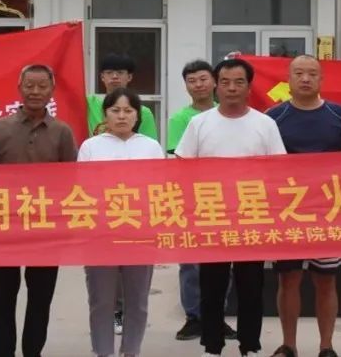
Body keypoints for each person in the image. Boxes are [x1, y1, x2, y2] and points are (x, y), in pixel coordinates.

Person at [175, 58, 287, 357]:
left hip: (252, 215)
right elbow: (183, 167)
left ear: (249, 87)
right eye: (225, 82)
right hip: (212, 215)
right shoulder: (200, 123)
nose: (232, 88)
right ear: (216, 86)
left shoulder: (265, 124)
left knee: (251, 286)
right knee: (211, 285)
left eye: (239, 82)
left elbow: (278, 169)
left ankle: (249, 345)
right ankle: (212, 345)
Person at [0, 64, 77, 357]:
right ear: (19, 88)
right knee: (1, 298)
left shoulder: (62, 132)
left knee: (40, 299)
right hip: (4, 228)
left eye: (42, 86)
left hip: (46, 230)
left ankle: (33, 352)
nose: (35, 92)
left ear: (52, 90)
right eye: (29, 86)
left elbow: (71, 182)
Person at [265, 55, 341, 357]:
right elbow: (262, 166)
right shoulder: (273, 117)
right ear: (288, 79)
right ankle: (288, 345)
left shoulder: (338, 114)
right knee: (288, 279)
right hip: (287, 212)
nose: (305, 79)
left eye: (312, 74)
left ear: (321, 79)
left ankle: (326, 346)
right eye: (299, 73)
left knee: (326, 281)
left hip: (329, 210)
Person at [78, 87, 166, 357]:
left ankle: (131, 351)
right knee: (101, 300)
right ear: (105, 114)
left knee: (137, 300)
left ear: (138, 115)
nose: (122, 116)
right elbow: (82, 189)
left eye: (128, 111)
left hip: (140, 233)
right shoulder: (91, 146)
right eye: (115, 110)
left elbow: (160, 189)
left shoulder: (150, 147)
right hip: (101, 234)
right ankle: (102, 351)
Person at [167, 60, 235, 342]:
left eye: (203, 79)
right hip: (192, 198)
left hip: (227, 197)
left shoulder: (229, 114)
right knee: (191, 262)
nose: (198, 85)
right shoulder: (180, 119)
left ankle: (217, 316)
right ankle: (194, 317)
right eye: (192, 80)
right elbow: (179, 160)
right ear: (185, 86)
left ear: (215, 81)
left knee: (222, 259)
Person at [87, 53, 158, 140]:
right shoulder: (90, 104)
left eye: (120, 72)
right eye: (109, 72)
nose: (114, 76)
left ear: (129, 77)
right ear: (102, 77)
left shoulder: (143, 112)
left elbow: (149, 144)